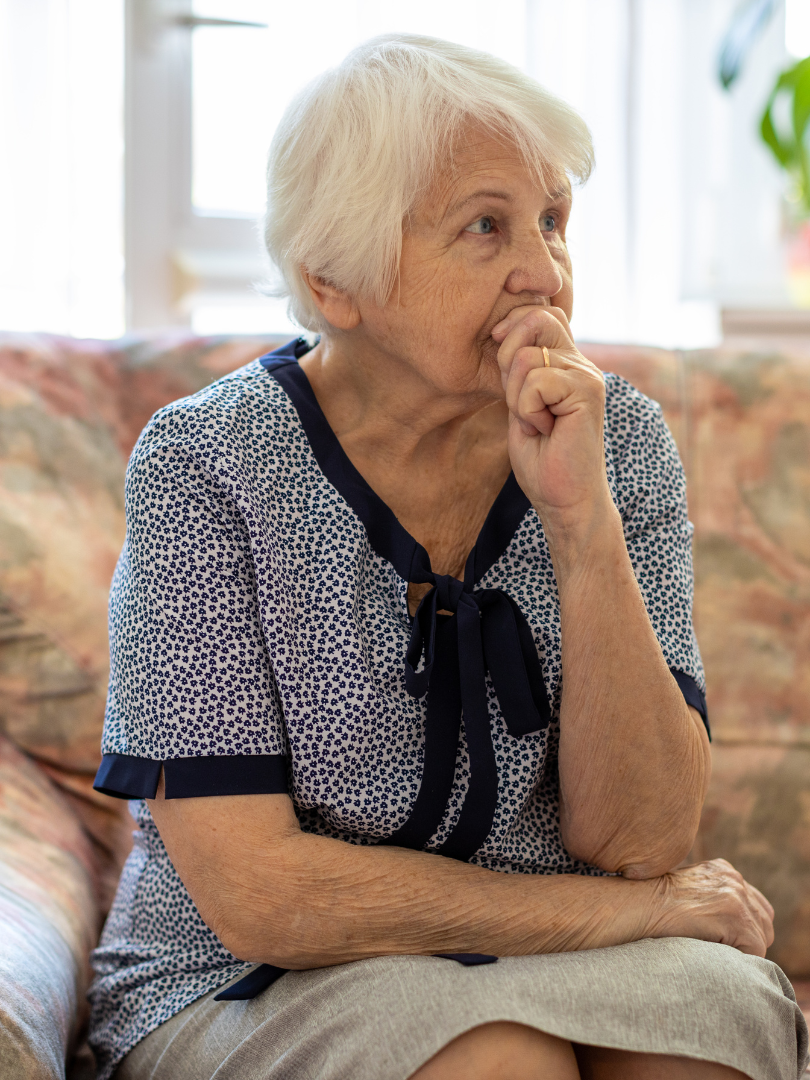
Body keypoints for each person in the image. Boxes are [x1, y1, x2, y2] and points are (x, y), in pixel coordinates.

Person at [89, 33, 807, 1080]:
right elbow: (263, 899)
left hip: (570, 948)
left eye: (554, 221)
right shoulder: (207, 465)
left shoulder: (620, 441)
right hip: (254, 980)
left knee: (705, 1030)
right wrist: (623, 915)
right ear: (336, 282)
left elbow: (643, 839)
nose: (544, 273)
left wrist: (580, 523)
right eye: (486, 227)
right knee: (495, 1058)